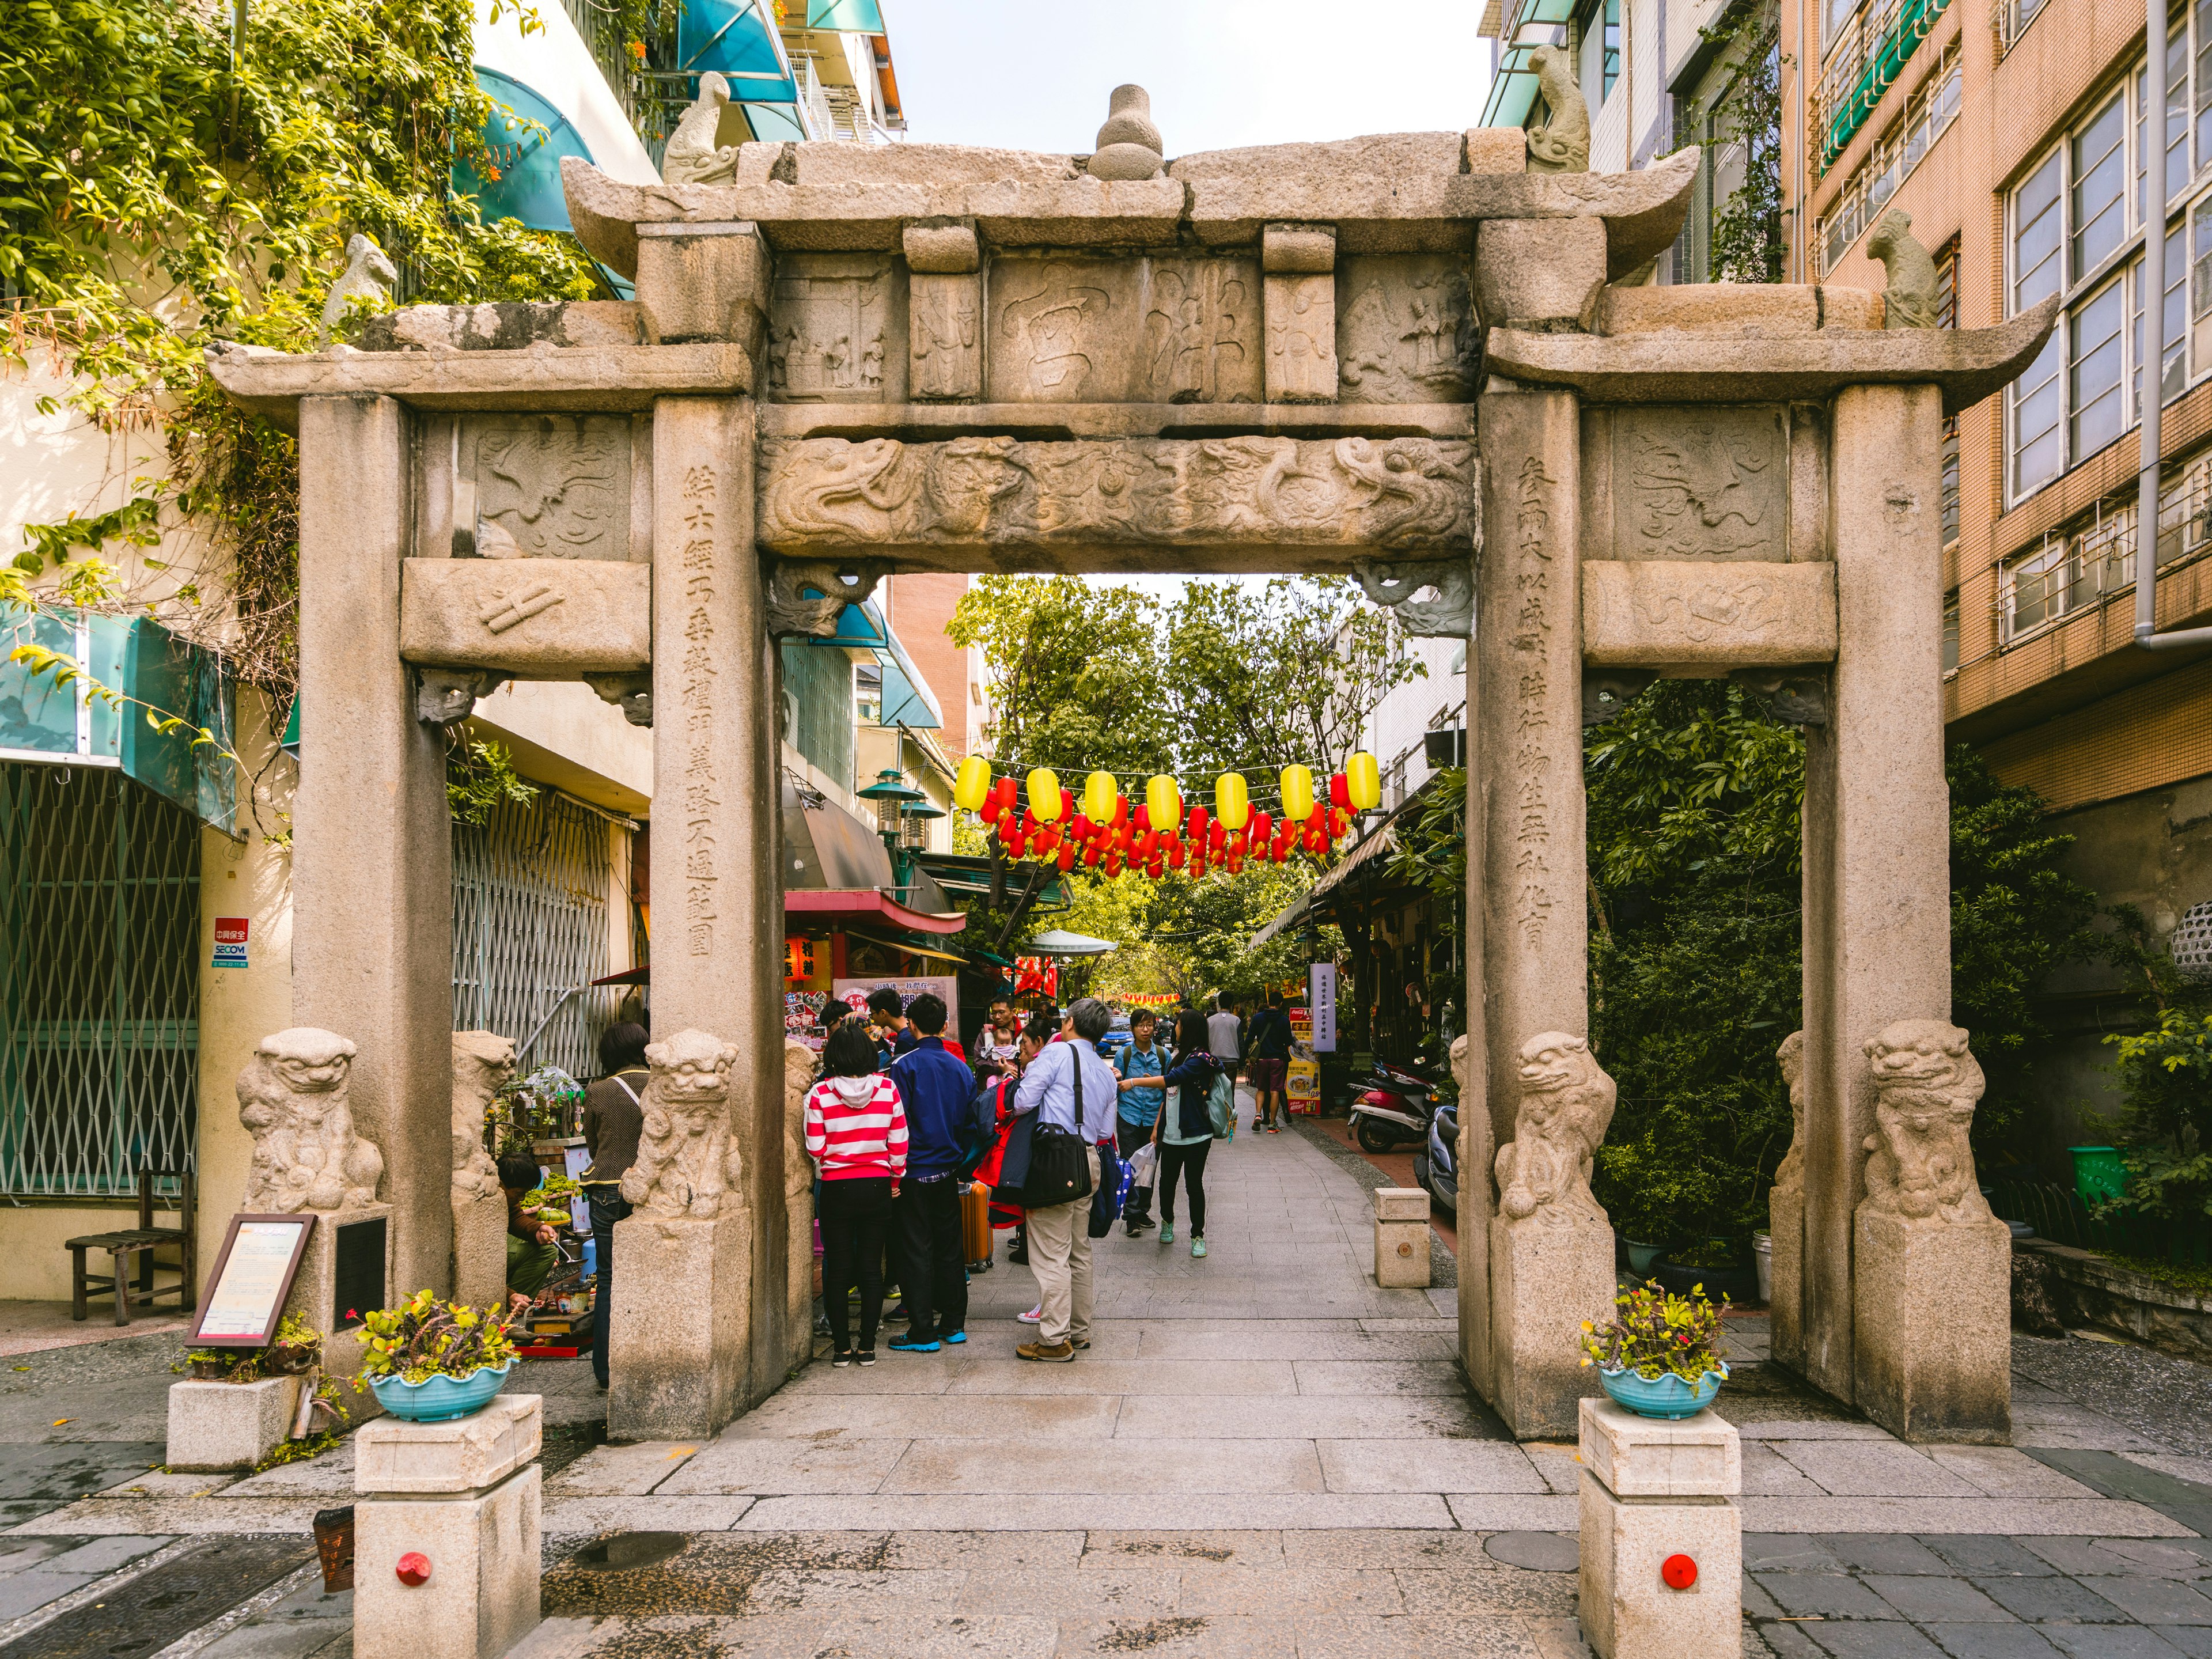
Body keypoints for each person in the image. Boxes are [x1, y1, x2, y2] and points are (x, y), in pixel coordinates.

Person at [1009, 997, 1117, 1362]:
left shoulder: (1055, 1055)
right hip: (1088, 1160)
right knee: (1079, 1249)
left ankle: (1054, 1340)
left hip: (1055, 1160)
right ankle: (1080, 1331)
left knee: (1051, 1253)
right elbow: (1104, 1131)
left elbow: (1023, 1102)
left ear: (1069, 1023)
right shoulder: (1106, 1072)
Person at [804, 1019, 908, 1366]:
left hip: (836, 1188)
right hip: (877, 1186)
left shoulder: (820, 1094)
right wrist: (895, 1181)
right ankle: (867, 1347)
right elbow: (899, 1143)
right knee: (869, 1269)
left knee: (838, 1270)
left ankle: (840, 1349)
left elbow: (815, 1147)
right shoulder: (887, 1089)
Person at [885, 993, 975, 1353]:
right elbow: (970, 1122)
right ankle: (953, 1324)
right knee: (950, 1248)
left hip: (913, 1171)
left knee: (915, 1249)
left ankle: (922, 1331)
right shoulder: (960, 1068)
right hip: (948, 1169)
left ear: (912, 1024)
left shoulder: (904, 1067)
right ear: (945, 1025)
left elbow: (897, 1123)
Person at [580, 1021, 649, 1390]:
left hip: (607, 1189)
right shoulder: (661, 1085)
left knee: (608, 1278)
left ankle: (605, 1370)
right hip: (651, 1190)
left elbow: (593, 1144)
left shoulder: (598, 1090)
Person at [1157, 1010, 1226, 1257]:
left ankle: (1198, 1236)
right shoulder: (1178, 1057)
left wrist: (1134, 1083)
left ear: (1187, 1028)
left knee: (1193, 1185)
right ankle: (1167, 1222)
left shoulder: (1201, 1059)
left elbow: (1171, 1080)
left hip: (1196, 1133)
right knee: (1166, 1183)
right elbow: (1167, 1095)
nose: (1175, 1028)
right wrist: (1158, 1127)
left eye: (1178, 1024)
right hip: (1171, 1133)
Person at [1113, 1009, 1166, 1235]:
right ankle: (1131, 1216)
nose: (1146, 1030)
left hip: (1154, 1118)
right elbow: (1116, 1086)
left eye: (1149, 1025)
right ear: (1133, 1028)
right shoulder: (1124, 1055)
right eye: (1140, 1025)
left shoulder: (1164, 1055)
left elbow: (1168, 1089)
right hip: (1129, 1117)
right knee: (1129, 1166)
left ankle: (1143, 1210)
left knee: (1149, 1167)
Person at [499, 1153, 560, 1304]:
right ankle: (511, 1304)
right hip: (483, 1255)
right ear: (501, 1184)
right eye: (519, 1194)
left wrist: (538, 1229)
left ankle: (518, 1300)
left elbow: (514, 1218)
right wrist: (508, 1295)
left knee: (547, 1247)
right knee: (546, 1252)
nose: (522, 1199)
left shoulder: (506, 1196)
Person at [1248, 991, 1294, 1132]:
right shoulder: (1284, 1020)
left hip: (1261, 1060)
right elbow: (1288, 1041)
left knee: (1261, 1089)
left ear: (1268, 1002)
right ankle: (1272, 1124)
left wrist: (1246, 1056)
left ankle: (1258, 1115)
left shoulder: (1257, 1018)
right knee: (1275, 1091)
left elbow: (1249, 1038)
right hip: (1277, 1060)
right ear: (1281, 1003)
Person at [867, 987, 916, 1064]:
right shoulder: (912, 1032)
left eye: (872, 1014)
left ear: (883, 1013)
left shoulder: (904, 1041)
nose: (872, 1018)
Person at [1207, 997, 1243, 1092]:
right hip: (1232, 1061)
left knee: (1215, 1090)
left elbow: (1206, 1041)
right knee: (1229, 1091)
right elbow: (1241, 1043)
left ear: (1219, 1004)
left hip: (1214, 1061)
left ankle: (1217, 1106)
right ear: (1231, 1004)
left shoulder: (1210, 1021)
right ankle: (1229, 1106)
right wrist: (1242, 1063)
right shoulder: (1236, 1021)